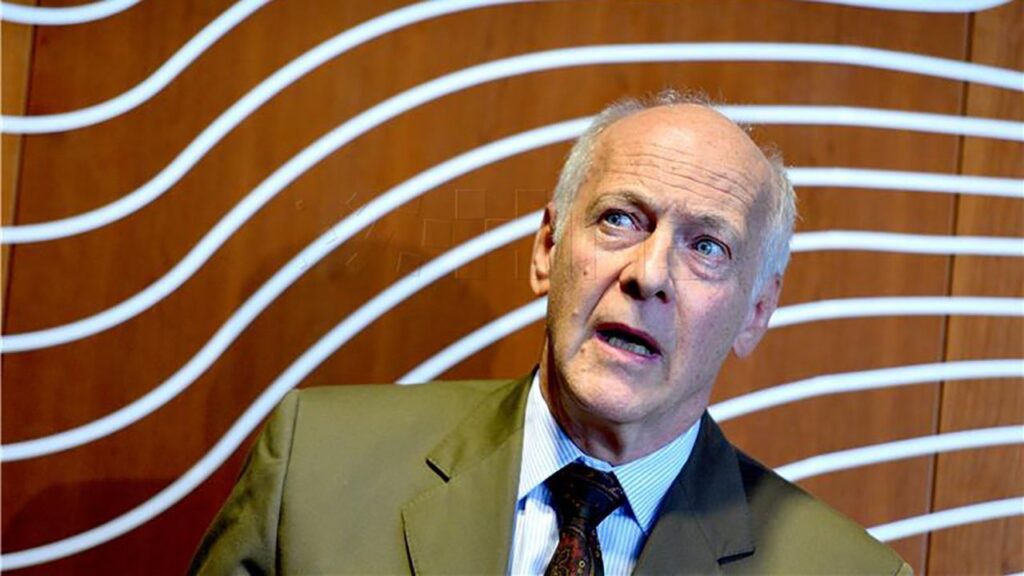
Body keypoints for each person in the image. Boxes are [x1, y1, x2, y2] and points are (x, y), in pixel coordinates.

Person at [190, 91, 911, 575]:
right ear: (547, 249)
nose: (648, 274)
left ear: (755, 311)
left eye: (707, 247)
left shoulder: (848, 572)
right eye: (620, 219)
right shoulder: (315, 468)